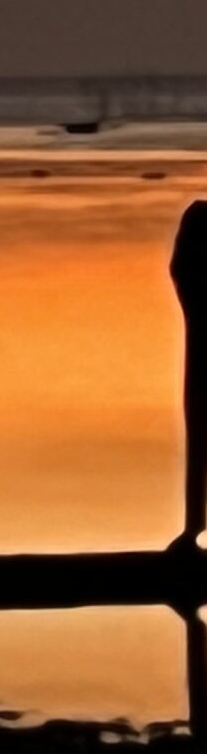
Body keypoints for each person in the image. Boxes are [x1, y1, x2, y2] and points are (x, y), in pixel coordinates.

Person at [175, 202, 207, 550]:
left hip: (199, 340)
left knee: (199, 431)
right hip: (200, 340)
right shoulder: (199, 219)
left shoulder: (197, 218)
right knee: (199, 430)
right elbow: (181, 271)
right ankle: (193, 527)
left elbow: (179, 271)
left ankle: (193, 527)